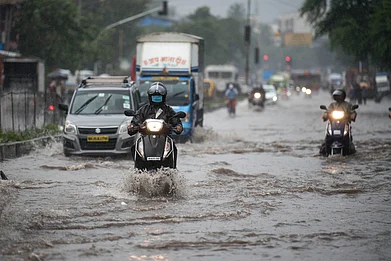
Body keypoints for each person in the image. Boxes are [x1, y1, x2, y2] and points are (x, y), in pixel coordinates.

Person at [320, 89, 357, 155]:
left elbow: (353, 112)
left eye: (339, 96)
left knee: (351, 147)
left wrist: (352, 115)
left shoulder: (348, 105)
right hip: (333, 124)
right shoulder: (332, 105)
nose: (338, 98)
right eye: (336, 96)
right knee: (324, 143)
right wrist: (325, 115)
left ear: (343, 96)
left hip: (344, 123)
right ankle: (324, 151)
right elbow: (327, 111)